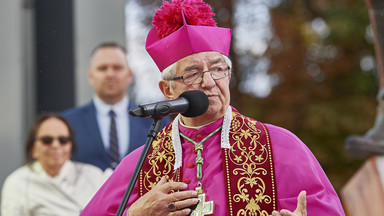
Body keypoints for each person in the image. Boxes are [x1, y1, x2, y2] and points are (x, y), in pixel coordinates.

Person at [80, 0, 345, 215]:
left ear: (228, 76)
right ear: (167, 90)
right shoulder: (141, 163)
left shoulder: (281, 147)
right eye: (193, 73)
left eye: (218, 69)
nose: (209, 82)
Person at [62, 42, 170, 170]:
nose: (110, 74)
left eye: (117, 68)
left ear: (129, 75)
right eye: (102, 68)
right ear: (90, 76)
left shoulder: (157, 120)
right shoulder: (68, 123)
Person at [1, 113, 111, 216]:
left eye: (63, 140)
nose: (55, 145)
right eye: (47, 140)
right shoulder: (17, 183)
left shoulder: (94, 175)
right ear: (33, 149)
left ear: (70, 146)